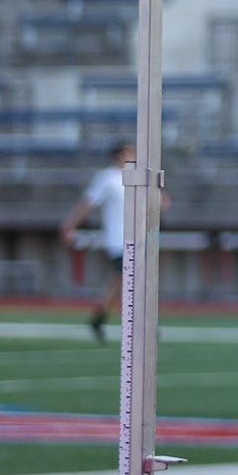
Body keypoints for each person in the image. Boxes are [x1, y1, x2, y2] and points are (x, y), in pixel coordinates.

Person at [58, 141, 134, 343]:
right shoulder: (108, 178)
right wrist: (70, 224)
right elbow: (88, 202)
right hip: (119, 239)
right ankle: (129, 323)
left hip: (138, 238)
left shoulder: (136, 178)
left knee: (124, 281)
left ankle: (100, 317)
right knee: (124, 279)